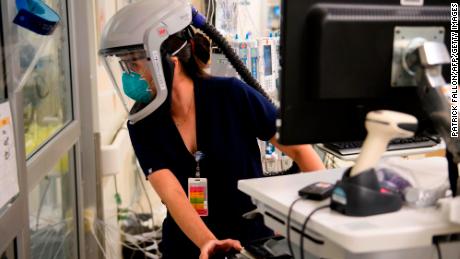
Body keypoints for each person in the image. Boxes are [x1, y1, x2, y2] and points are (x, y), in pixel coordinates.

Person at [120, 28, 325, 258]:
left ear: (169, 62)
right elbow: (172, 193)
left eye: (134, 64)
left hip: (250, 241)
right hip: (187, 245)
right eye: (125, 65)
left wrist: (327, 223)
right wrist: (208, 242)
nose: (128, 76)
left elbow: (298, 149)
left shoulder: (231, 94)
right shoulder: (142, 122)